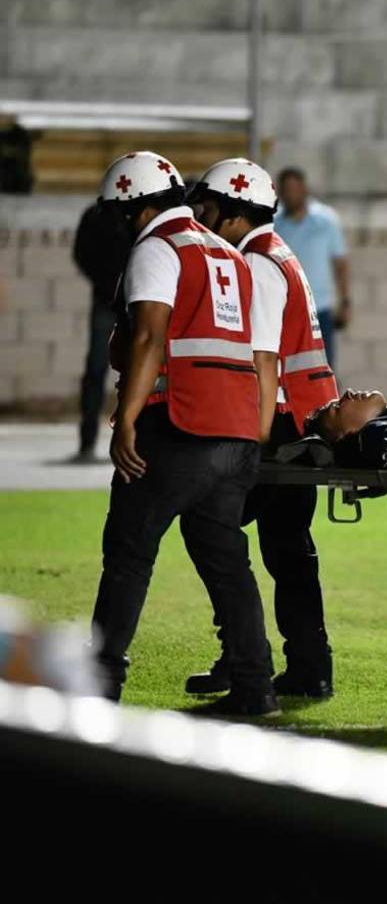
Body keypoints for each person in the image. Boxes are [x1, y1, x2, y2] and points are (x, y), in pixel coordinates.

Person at [89, 150, 276, 715]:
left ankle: (100, 685)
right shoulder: (228, 253)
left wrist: (125, 418)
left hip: (177, 427)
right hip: (235, 433)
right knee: (226, 559)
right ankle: (254, 684)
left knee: (128, 553)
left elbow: (149, 337)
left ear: (133, 211)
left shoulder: (157, 249)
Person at [184, 159, 340, 699]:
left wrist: (250, 443)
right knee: (285, 547)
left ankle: (251, 658)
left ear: (232, 212)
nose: (199, 215)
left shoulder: (258, 264)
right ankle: (306, 666)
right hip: (303, 424)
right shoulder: (278, 254)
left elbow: (263, 361)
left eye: (206, 206)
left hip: (282, 431)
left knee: (215, 529)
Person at [70, 201, 131, 461]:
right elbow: (83, 254)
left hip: (132, 302)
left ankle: (134, 440)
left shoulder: (135, 211)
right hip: (109, 301)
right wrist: (109, 285)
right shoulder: (98, 216)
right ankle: (88, 441)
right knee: (96, 370)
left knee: (136, 370)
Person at [273, 167, 350, 368]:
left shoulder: (326, 220)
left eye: (294, 188)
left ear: (304, 189)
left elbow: (340, 263)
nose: (290, 194)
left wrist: (345, 301)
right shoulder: (275, 223)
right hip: (287, 308)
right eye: (286, 190)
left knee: (323, 365)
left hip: (320, 307)